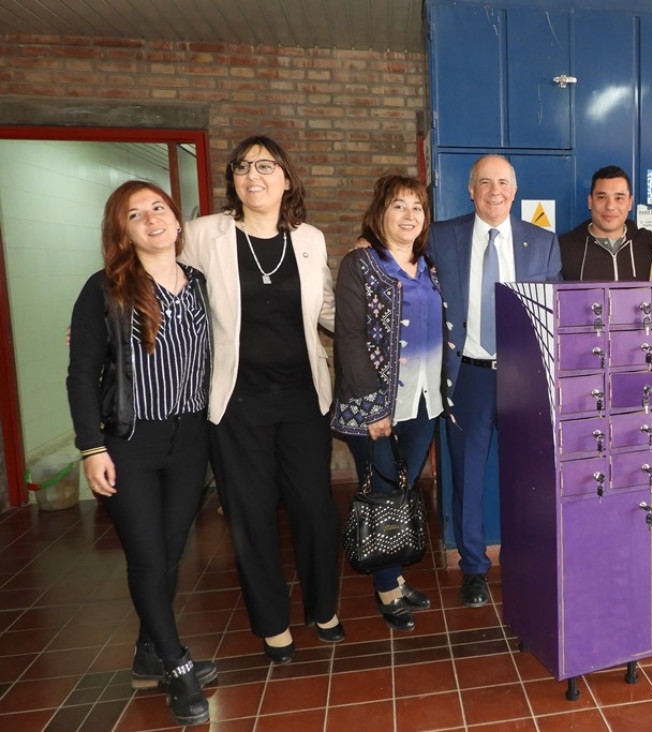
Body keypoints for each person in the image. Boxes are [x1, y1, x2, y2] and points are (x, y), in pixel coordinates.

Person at [181, 136, 342, 663]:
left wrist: (391, 312)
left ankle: (324, 607)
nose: (254, 175)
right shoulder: (206, 233)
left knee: (315, 510)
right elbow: (155, 273)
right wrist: (106, 316)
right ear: (234, 179)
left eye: (266, 166)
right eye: (244, 167)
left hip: (303, 398)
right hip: (238, 402)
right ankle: (272, 622)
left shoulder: (310, 240)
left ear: (287, 178)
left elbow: (331, 313)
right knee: (250, 516)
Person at [67, 181, 216, 725]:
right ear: (123, 232)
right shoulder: (104, 289)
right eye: (136, 214)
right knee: (149, 557)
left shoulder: (197, 284)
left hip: (189, 440)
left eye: (159, 208)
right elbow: (81, 374)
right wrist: (91, 447)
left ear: (177, 220)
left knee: (170, 554)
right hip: (129, 442)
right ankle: (175, 665)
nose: (152, 219)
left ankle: (147, 652)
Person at [427, 154, 562, 607]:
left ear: (515, 189)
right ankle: (473, 568)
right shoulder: (441, 237)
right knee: (467, 474)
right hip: (468, 375)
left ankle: (527, 556)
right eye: (484, 182)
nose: (494, 190)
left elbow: (554, 312)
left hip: (524, 379)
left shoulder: (542, 243)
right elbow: (403, 265)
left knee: (529, 472)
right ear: (470, 190)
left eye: (503, 182)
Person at [332, 175, 442, 631]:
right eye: (399, 206)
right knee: (381, 492)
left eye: (416, 207)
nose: (409, 215)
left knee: (402, 487)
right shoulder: (360, 263)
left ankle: (393, 574)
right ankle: (386, 587)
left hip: (424, 399)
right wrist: (375, 407)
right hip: (376, 408)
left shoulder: (430, 268)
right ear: (380, 213)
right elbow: (349, 338)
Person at [559, 165, 652, 280]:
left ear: (630, 203)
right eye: (602, 197)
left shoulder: (648, 243)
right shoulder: (564, 247)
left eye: (619, 198)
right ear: (590, 201)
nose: (610, 206)